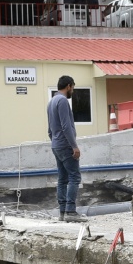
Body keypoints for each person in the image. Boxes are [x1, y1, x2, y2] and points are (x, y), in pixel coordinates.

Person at [47, 75, 84, 221]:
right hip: (65, 145)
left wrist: (54, 141)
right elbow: (66, 126)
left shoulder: (51, 102)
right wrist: (74, 146)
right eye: (73, 88)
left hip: (56, 145)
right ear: (68, 86)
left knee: (62, 178)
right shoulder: (62, 101)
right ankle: (71, 211)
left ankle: (62, 212)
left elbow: (50, 129)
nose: (72, 91)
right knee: (74, 177)